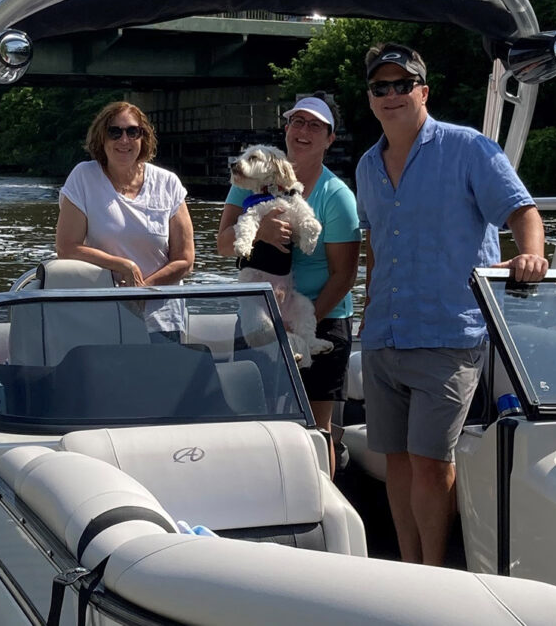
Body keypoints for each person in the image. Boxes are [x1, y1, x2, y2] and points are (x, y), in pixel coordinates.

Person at [356, 42, 549, 566]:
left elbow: (523, 211)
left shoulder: (469, 148)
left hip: (448, 335)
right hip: (381, 338)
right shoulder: (367, 166)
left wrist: (531, 256)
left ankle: (437, 571)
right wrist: (365, 316)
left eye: (402, 85)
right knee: (394, 460)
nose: (391, 95)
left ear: (423, 90)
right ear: (370, 98)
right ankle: (409, 564)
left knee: (430, 460)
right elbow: (376, 250)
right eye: (381, 87)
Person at [217, 95, 361, 475]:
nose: (304, 131)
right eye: (298, 122)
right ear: (286, 129)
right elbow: (221, 243)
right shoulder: (251, 177)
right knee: (257, 422)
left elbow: (344, 275)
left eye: (315, 126)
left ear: (330, 139)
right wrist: (259, 230)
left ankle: (324, 503)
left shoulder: (337, 196)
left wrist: (300, 325)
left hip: (320, 316)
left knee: (317, 428)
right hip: (257, 311)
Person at [56, 101, 194, 339]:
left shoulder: (168, 183)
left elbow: (185, 260)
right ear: (102, 138)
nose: (124, 140)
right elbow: (67, 247)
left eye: (133, 131)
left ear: (143, 138)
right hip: (104, 315)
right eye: (115, 132)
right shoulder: (84, 177)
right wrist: (124, 265)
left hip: (164, 320)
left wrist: (142, 291)